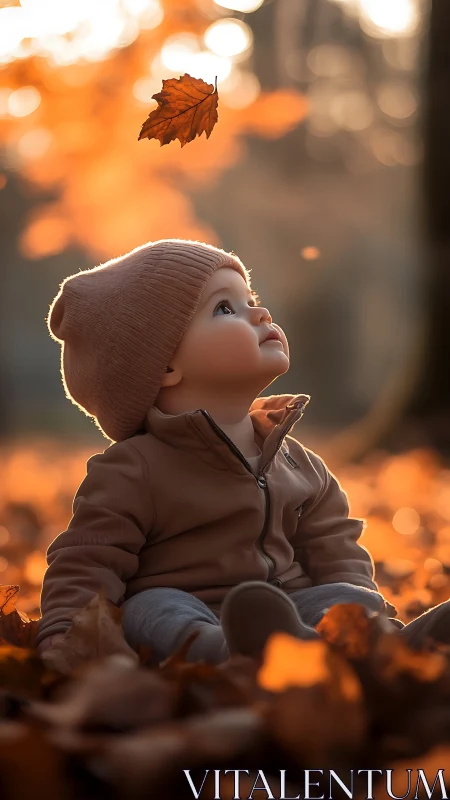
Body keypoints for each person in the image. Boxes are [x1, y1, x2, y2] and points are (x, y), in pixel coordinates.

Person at [36, 238, 423, 667]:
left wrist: (355, 609)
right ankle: (227, 650)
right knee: (150, 609)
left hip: (292, 606)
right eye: (226, 308)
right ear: (163, 366)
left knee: (345, 593)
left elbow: (334, 547)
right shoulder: (133, 469)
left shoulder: (296, 460)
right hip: (193, 612)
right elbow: (87, 560)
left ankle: (382, 642)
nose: (261, 313)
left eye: (251, 299)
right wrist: (64, 635)